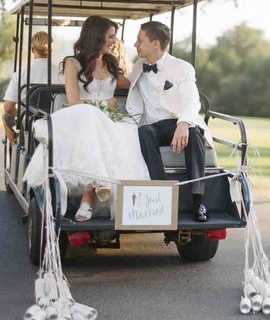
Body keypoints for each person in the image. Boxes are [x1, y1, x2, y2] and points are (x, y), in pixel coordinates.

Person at [23, 16, 150, 221]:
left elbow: (130, 84)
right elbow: (74, 101)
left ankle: (91, 194)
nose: (113, 41)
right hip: (79, 117)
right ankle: (94, 190)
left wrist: (144, 64)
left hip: (107, 120)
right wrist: (103, 105)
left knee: (129, 129)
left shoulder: (111, 62)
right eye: (110, 36)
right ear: (97, 36)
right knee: (92, 121)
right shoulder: (72, 63)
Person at [126, 21, 213, 222]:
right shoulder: (139, 66)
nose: (135, 44)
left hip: (178, 121)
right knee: (144, 132)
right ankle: (162, 196)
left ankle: (198, 201)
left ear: (155, 43)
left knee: (193, 133)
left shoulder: (181, 67)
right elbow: (124, 82)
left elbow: (192, 99)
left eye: (140, 40)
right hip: (153, 126)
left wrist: (183, 124)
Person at [3, 31, 60, 143]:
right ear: (51, 49)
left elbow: (8, 107)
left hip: (29, 123)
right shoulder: (61, 74)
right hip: (54, 122)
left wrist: (18, 119)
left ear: (32, 49)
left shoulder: (21, 73)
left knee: (5, 116)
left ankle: (17, 145)